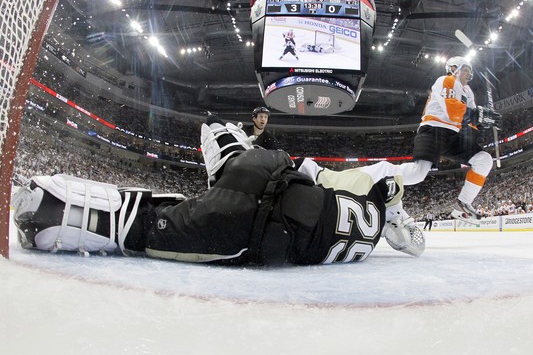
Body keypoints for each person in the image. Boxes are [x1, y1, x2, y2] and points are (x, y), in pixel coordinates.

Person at [11, 116, 425, 266]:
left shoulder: (375, 191)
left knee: (260, 171)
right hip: (263, 232)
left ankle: (237, 154)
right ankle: (49, 211)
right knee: (143, 228)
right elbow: (414, 244)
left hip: (276, 169)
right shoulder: (363, 248)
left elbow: (332, 175)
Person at [400, 56, 501, 222]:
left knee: (484, 160)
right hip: (433, 129)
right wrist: (477, 116)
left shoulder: (467, 91)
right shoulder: (445, 80)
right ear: (455, 68)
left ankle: (463, 205)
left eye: (470, 70)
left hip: (453, 134)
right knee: (418, 174)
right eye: (466, 69)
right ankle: (384, 179)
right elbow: (453, 111)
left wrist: (484, 122)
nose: (470, 73)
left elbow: (471, 118)